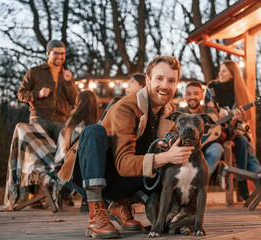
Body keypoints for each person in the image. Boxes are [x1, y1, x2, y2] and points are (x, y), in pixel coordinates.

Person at [58, 55, 194, 239]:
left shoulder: (169, 113)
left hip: (120, 180)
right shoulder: (126, 106)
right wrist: (167, 157)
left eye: (172, 80)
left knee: (163, 165)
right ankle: (95, 216)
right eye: (159, 79)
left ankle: (119, 204)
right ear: (147, 81)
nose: (165, 86)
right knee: (94, 131)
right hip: (90, 172)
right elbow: (123, 163)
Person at [3, 90, 98, 211]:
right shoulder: (95, 126)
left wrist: (54, 167)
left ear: (79, 104)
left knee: (23, 133)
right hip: (82, 173)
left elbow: (61, 156)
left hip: (65, 173)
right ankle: (86, 199)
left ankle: (24, 193)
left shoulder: (73, 123)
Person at [204, 60, 261, 203]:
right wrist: (219, 112)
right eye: (220, 70)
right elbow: (208, 111)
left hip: (235, 130)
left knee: (243, 142)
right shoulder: (212, 87)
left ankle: (245, 185)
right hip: (215, 132)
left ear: (232, 73)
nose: (220, 73)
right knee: (247, 148)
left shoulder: (240, 92)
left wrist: (233, 119)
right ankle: (260, 186)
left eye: (224, 71)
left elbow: (241, 123)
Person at [17, 40, 78, 143]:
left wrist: (68, 83)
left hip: (60, 121)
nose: (59, 56)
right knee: (39, 153)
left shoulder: (67, 75)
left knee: (63, 153)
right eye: (56, 53)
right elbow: (21, 94)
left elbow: (73, 101)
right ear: (48, 54)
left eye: (62, 53)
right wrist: (38, 94)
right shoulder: (35, 72)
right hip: (39, 118)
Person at [177, 81, 224, 177]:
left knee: (217, 148)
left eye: (196, 94)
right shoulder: (180, 113)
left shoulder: (210, 111)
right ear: (185, 96)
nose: (192, 97)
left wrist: (232, 121)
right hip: (185, 150)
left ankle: (201, 180)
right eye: (189, 94)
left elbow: (222, 132)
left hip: (204, 150)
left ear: (202, 96)